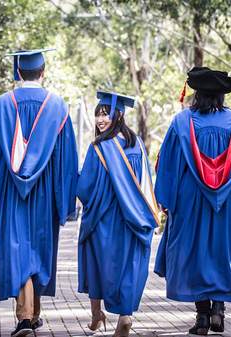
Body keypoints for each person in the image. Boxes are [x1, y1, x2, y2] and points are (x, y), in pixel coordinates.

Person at [0, 49, 78, 337]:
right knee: (38, 247)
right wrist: (64, 199)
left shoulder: (1, 106)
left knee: (17, 248)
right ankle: (31, 313)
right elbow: (66, 158)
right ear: (43, 72)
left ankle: (26, 316)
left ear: (18, 72)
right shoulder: (57, 107)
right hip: (45, 191)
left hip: (12, 193)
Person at [153, 67, 231, 335]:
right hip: (226, 203)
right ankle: (219, 309)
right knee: (222, 252)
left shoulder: (182, 122)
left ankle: (202, 318)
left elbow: (169, 166)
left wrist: (166, 199)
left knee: (195, 254)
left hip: (190, 201)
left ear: (197, 94)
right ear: (221, 95)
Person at [77, 91, 161, 337]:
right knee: (127, 267)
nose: (101, 120)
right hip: (133, 220)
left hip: (104, 220)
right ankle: (125, 315)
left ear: (119, 115)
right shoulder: (138, 146)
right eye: (98, 116)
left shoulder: (100, 147)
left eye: (106, 114)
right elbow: (145, 184)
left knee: (95, 263)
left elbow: (85, 188)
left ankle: (96, 314)